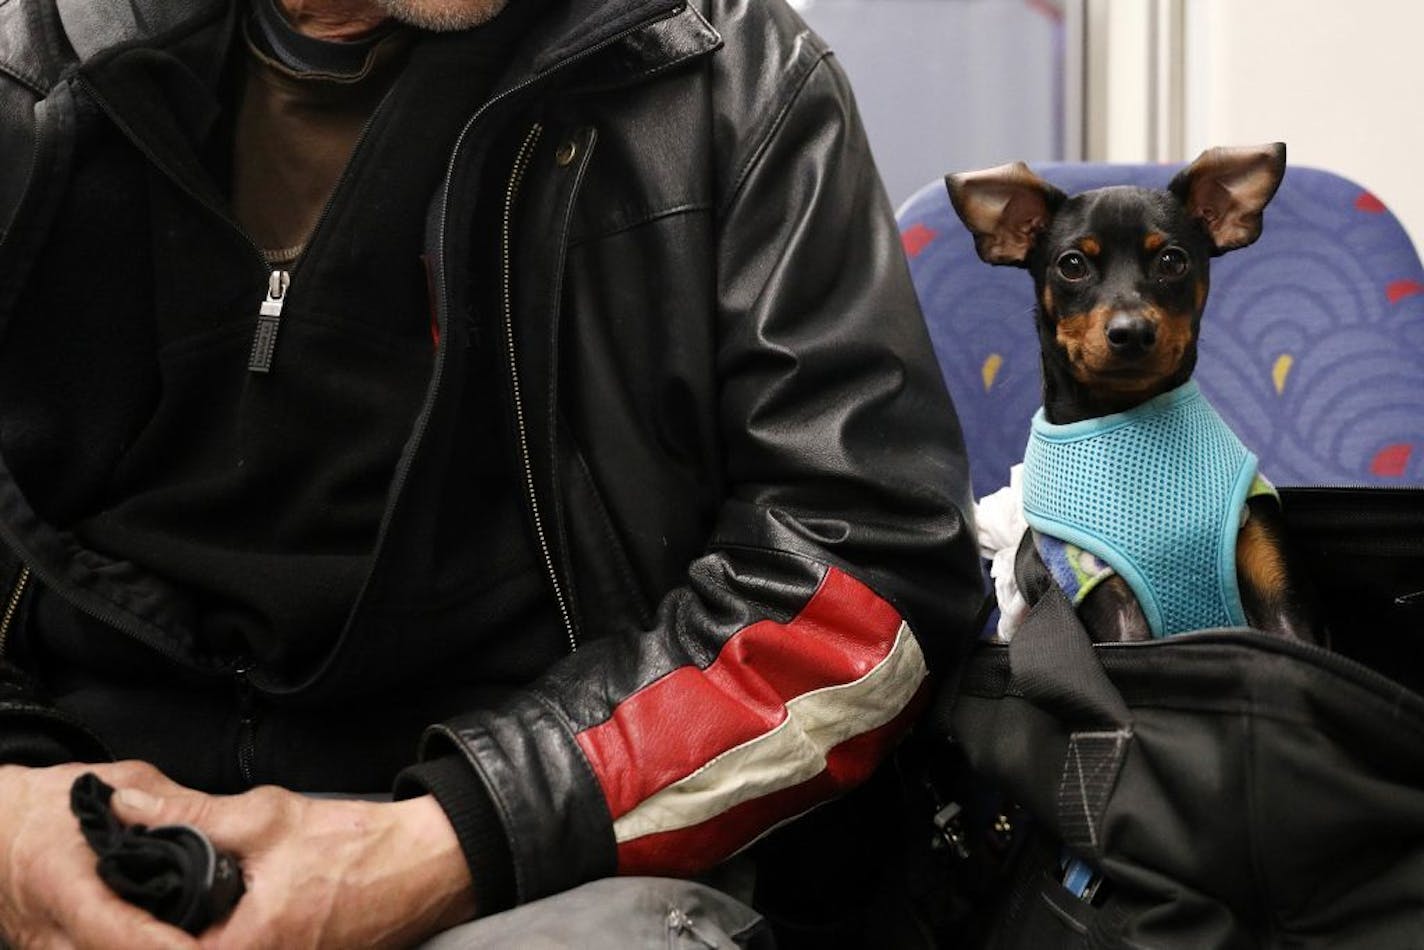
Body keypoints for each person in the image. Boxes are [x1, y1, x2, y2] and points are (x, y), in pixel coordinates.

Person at [0, 0, 983, 945]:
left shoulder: (723, 73)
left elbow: (859, 582)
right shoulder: (28, 67)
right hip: (63, 812)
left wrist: (455, 837)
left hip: (543, 860)